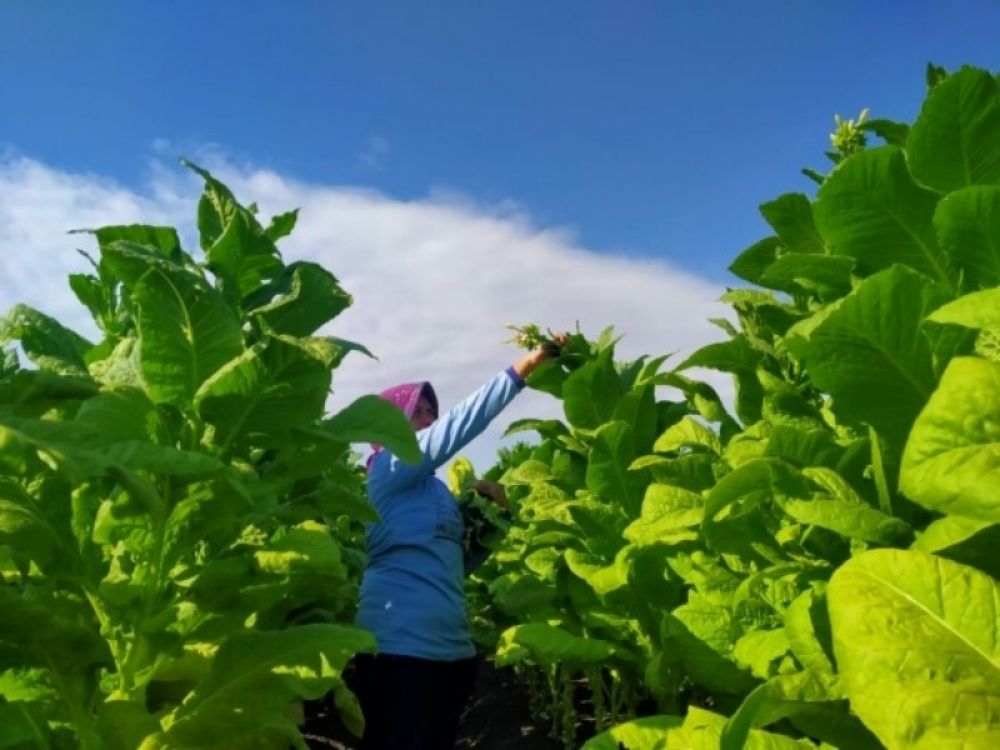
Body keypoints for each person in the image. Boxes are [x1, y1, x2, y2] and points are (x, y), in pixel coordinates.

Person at [350, 336, 565, 750]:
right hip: (398, 651)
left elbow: (459, 565)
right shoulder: (388, 470)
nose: (431, 418)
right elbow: (460, 426)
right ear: (388, 425)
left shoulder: (435, 492)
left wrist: (497, 517)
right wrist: (526, 367)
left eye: (433, 411)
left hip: (451, 653)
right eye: (418, 412)